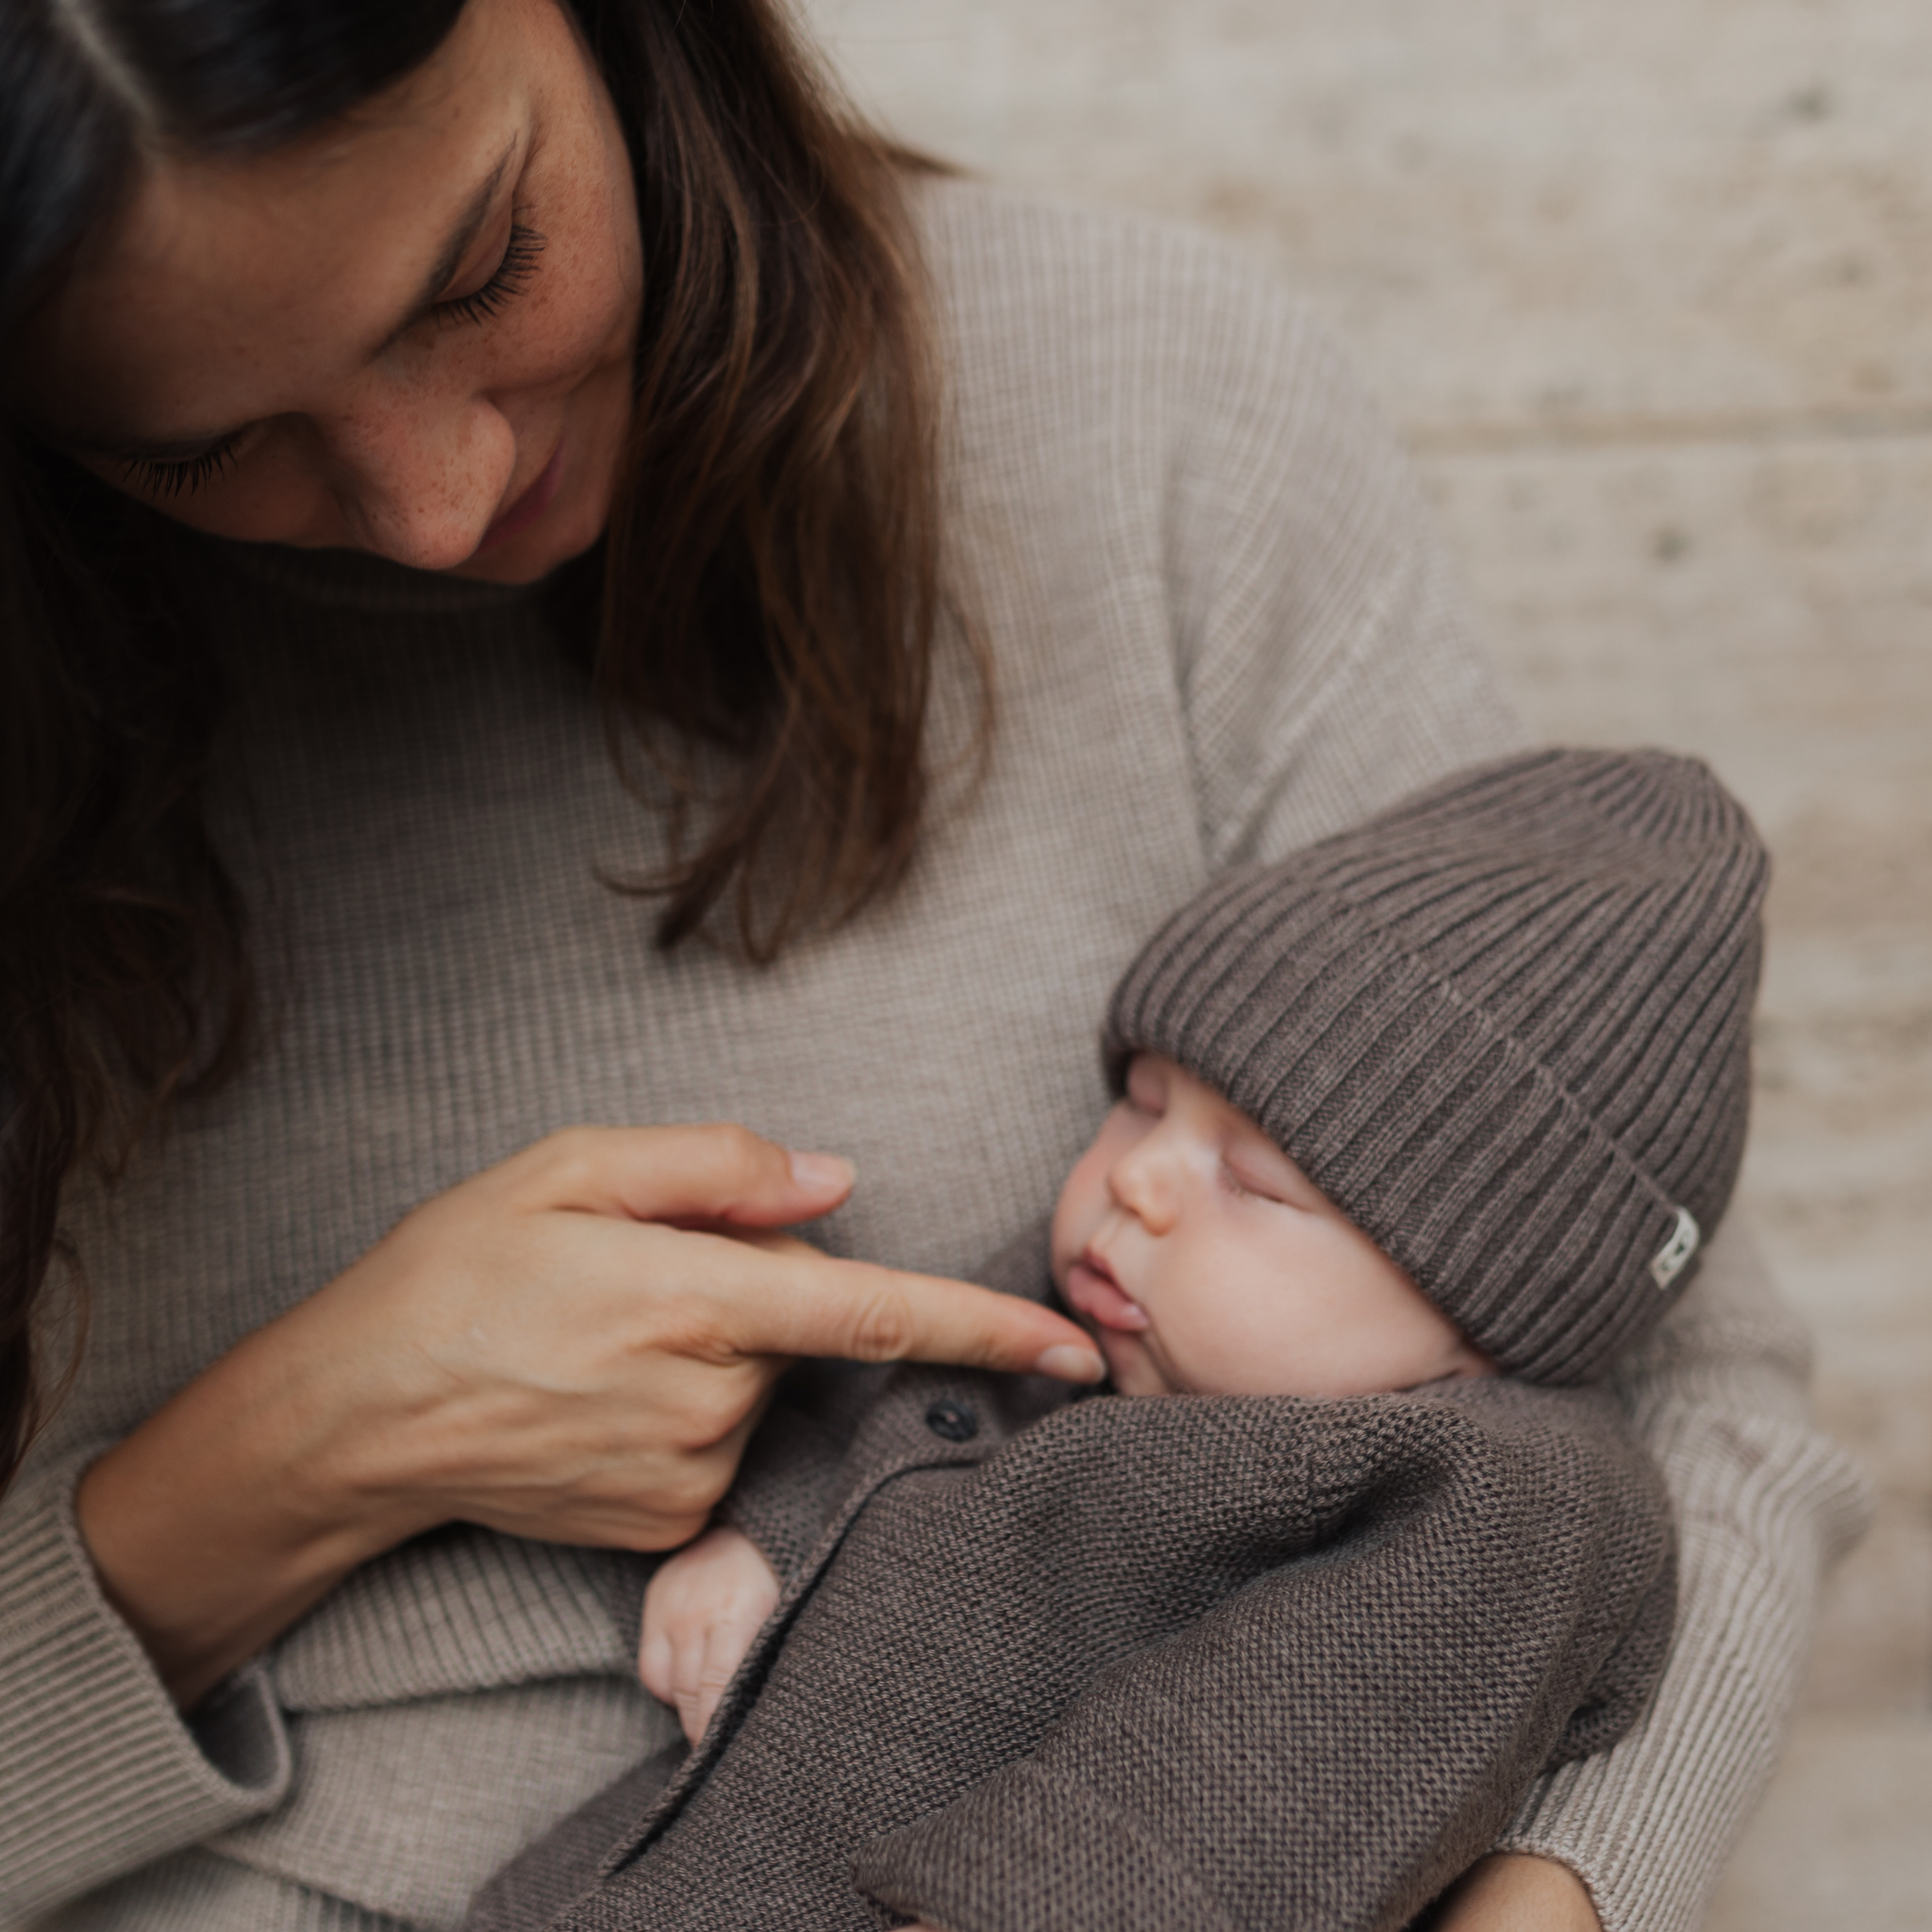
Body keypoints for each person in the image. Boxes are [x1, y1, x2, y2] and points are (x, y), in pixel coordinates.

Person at [0, 2, 1867, 1929]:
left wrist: (1550, 1893)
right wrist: (285, 1461)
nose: (439, 503)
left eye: (485, 267)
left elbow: (1681, 1391)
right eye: (205, 442)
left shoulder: (1150, 411)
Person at [467, 745, 1743, 1932]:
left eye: (1255, 1182)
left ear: (1488, 1311)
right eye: (1140, 1104)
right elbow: (885, 1409)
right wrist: (766, 1543)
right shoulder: (1096, 1314)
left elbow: (1240, 1792)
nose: (1139, 1181)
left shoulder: (1506, 1502)